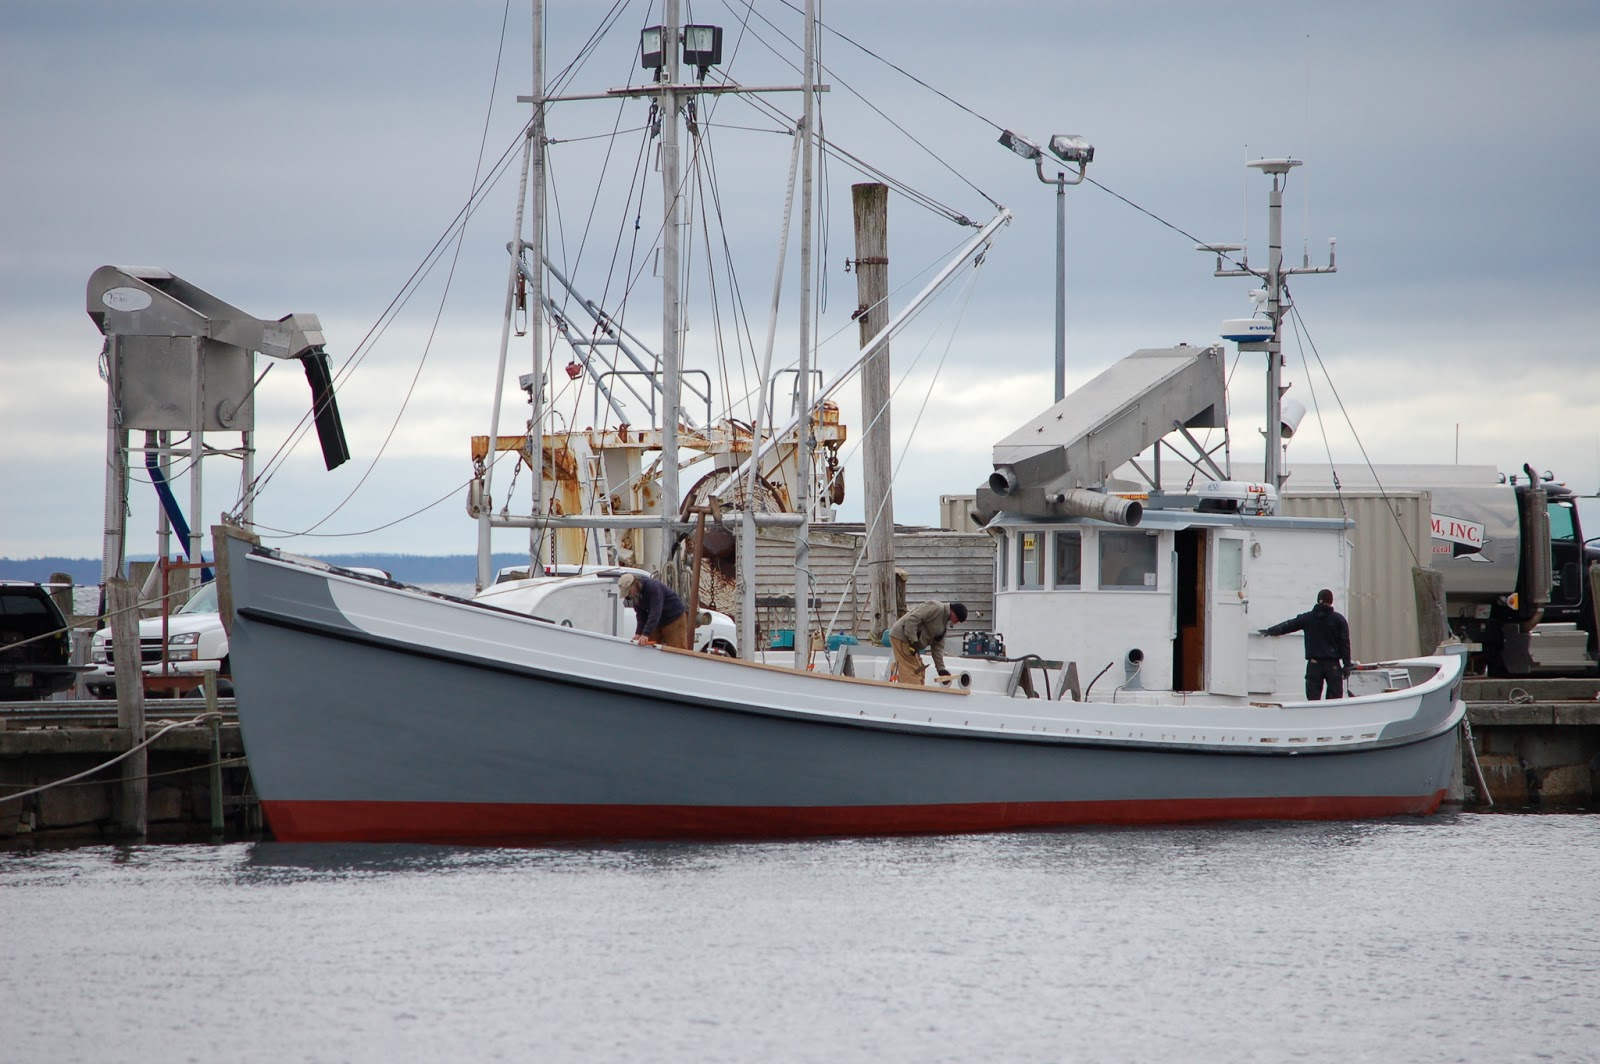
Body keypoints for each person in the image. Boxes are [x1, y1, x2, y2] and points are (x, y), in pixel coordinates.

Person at [1260, 588, 1353, 700]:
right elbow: (1345, 643)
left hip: (1314, 664)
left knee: (1312, 701)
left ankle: (1313, 717)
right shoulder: (1339, 620)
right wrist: (1347, 664)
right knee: (1334, 702)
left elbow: (1289, 625)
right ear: (1331, 601)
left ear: (1318, 600)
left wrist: (1271, 631)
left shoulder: (1308, 618)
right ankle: (1330, 717)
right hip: (1332, 665)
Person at [888, 600, 967, 687]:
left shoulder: (943, 625)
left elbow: (937, 647)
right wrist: (913, 641)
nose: (956, 623)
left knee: (920, 670)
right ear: (953, 612)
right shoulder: (936, 608)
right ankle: (911, 697)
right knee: (912, 672)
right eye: (957, 620)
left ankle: (918, 696)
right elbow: (912, 619)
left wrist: (941, 669)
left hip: (912, 643)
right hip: (902, 637)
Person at [618, 572, 690, 649]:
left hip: (674, 617)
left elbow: (655, 611)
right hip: (657, 620)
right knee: (647, 646)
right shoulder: (635, 596)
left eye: (629, 591)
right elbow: (640, 615)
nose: (628, 595)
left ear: (635, 585)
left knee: (677, 649)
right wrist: (638, 633)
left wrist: (645, 633)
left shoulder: (653, 587)